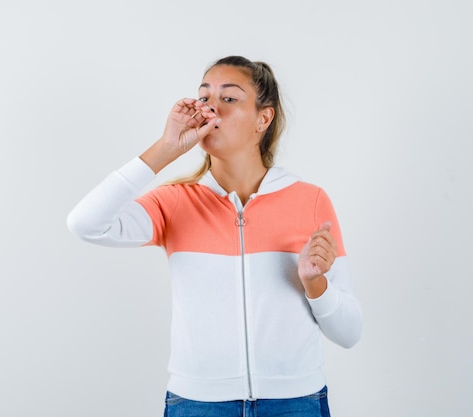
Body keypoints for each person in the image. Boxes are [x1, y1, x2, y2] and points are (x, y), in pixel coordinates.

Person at [66, 55, 363, 417]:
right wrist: (167, 148)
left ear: (263, 118)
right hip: (197, 404)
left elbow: (349, 333)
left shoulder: (310, 200)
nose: (211, 109)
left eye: (229, 99)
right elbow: (85, 224)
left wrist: (315, 285)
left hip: (296, 403)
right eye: (204, 98)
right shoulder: (175, 202)